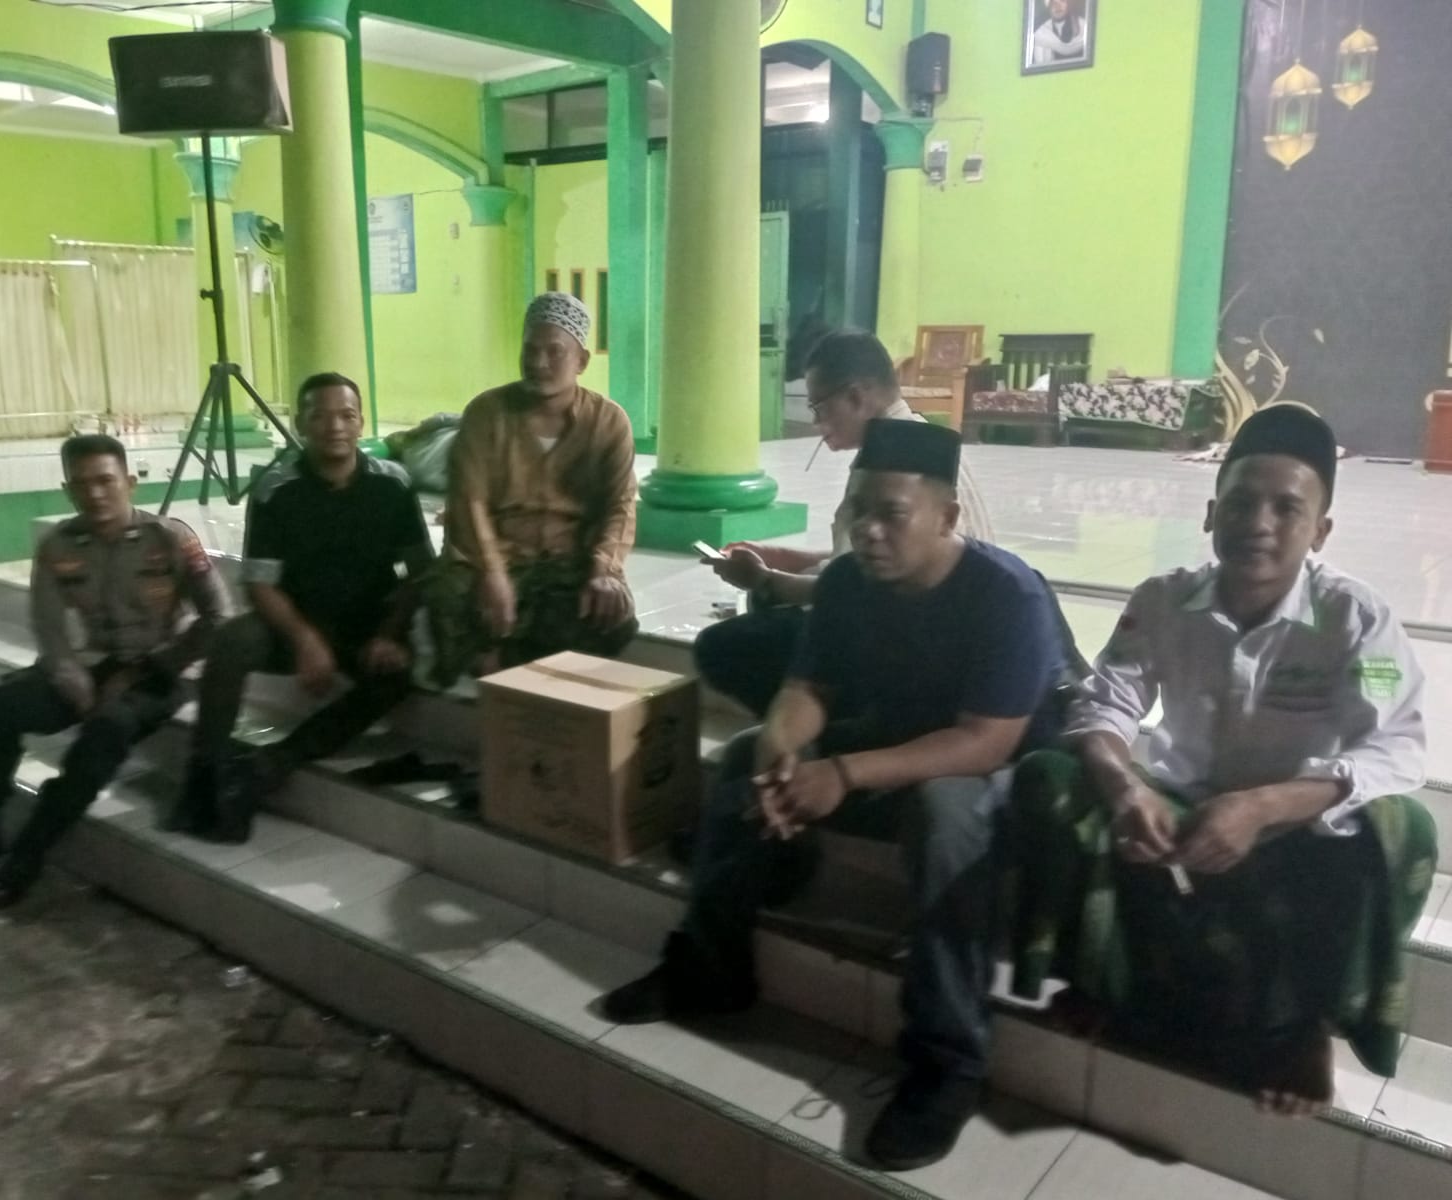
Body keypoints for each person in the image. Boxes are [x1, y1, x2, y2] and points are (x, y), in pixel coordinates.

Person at [597, 419, 1066, 1171]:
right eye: (858, 511)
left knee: (946, 810)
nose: (869, 532)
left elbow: (985, 742)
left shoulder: (1006, 593)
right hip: (897, 747)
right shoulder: (850, 582)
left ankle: (949, 1059)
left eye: (892, 514)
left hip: (1000, 775)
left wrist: (842, 774)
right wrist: (785, 750)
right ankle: (710, 968)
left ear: (947, 516)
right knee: (748, 755)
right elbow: (808, 687)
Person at [1007, 404, 1438, 1116]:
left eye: (1286, 508)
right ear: (1211, 513)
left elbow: (1396, 746)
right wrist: (1125, 790)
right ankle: (1097, 980)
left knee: (1405, 829)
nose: (1257, 523)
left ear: (1321, 530)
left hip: (1296, 833)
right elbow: (1103, 703)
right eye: (1240, 502)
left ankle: (1309, 1026)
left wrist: (1265, 805)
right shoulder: (1163, 599)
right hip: (1172, 820)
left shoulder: (1356, 619)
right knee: (1050, 777)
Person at [0, 435, 228, 907]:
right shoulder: (58, 546)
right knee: (0, 706)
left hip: (158, 671)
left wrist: (160, 664)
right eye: (82, 484)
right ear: (67, 490)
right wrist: (70, 677)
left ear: (129, 482)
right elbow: (49, 628)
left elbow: (218, 616)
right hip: (92, 665)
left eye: (105, 481)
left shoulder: (171, 539)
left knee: (106, 730)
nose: (95, 494)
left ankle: (24, 858)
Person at [177, 372, 433, 843]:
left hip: (365, 625)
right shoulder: (276, 489)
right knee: (232, 639)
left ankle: (269, 766)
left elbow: (420, 572)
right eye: (320, 416)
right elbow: (260, 584)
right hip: (294, 622)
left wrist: (390, 633)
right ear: (300, 424)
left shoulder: (392, 484)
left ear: (361, 423)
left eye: (347, 415)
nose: (335, 426)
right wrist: (305, 640)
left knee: (399, 675)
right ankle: (204, 772)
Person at [695, 330, 993, 717]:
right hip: (921, 618)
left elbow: (861, 593)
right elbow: (873, 559)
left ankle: (831, 725)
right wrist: (782, 556)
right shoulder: (922, 441)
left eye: (819, 407)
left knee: (726, 645)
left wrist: (765, 580)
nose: (816, 421)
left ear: (855, 396)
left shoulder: (892, 464)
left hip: (915, 641)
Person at [427, 292, 638, 685]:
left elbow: (621, 505)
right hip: (495, 555)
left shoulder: (609, 423)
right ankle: (501, 665)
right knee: (448, 597)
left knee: (612, 616)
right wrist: (492, 572)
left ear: (581, 361)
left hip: (569, 559)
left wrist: (604, 570)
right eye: (530, 350)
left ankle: (506, 663)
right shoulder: (487, 413)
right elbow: (469, 501)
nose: (539, 363)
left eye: (554, 351)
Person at [1030, 0, 1087, 65]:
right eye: (1053, 3)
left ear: (1068, 5)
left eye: (1062, 1)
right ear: (1048, 8)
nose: (1058, 6)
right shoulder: (1041, 32)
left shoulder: (1083, 26)